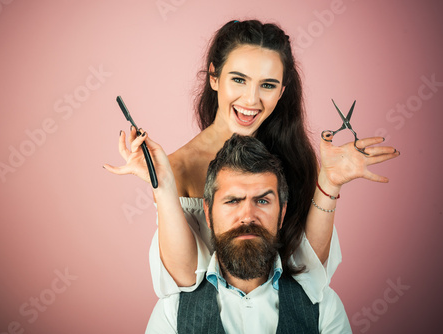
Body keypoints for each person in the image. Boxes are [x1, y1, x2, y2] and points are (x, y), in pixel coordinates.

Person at [104, 20, 399, 302]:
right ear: (214, 77)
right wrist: (163, 186)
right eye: (239, 80)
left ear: (282, 91)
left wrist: (329, 184)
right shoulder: (175, 168)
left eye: (267, 85)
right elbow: (183, 279)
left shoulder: (293, 156)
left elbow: (311, 272)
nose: (251, 100)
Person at [146, 134, 352, 333]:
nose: (247, 216)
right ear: (208, 213)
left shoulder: (324, 308)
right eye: (233, 201)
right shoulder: (171, 312)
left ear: (281, 214)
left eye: (262, 201)